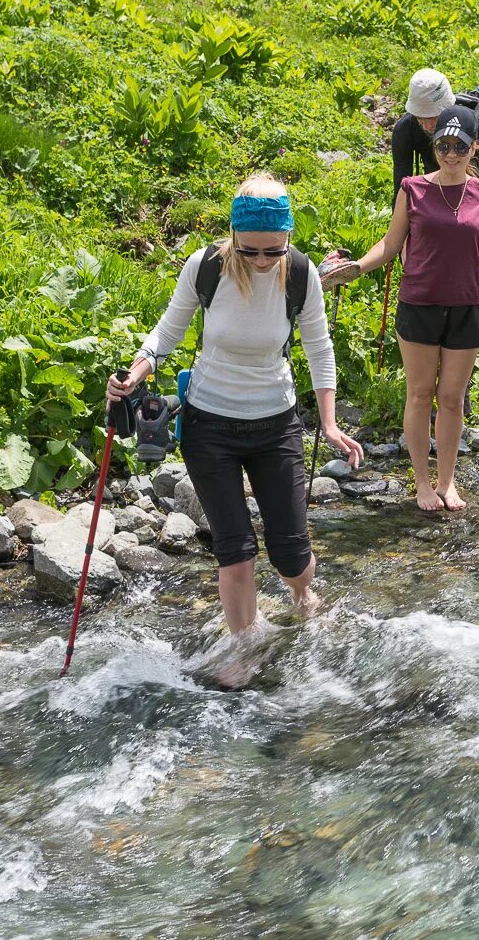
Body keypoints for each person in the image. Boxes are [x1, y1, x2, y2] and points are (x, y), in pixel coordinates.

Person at [107, 174, 363, 687]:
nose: (264, 261)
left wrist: (330, 422)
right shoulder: (206, 268)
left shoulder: (302, 274)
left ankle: (301, 595)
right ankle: (246, 645)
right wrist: (138, 368)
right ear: (234, 236)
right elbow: (170, 327)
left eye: (274, 250)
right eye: (251, 252)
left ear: (287, 238)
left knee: (291, 552)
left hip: (276, 425)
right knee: (236, 550)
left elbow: (319, 347)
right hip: (210, 424)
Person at [352, 104, 479, 513]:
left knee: (453, 398)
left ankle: (447, 482)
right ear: (434, 145)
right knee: (421, 394)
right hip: (419, 304)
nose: (451, 153)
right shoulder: (412, 188)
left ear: (474, 148)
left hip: (467, 305)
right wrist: (355, 268)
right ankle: (422, 484)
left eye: (459, 146)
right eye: (443, 144)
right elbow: (390, 246)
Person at [391, 67, 479, 265]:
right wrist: (402, 242)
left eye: (432, 118)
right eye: (420, 117)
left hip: (470, 197)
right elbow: (400, 191)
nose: (425, 126)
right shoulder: (405, 129)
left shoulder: (476, 128)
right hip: (431, 194)